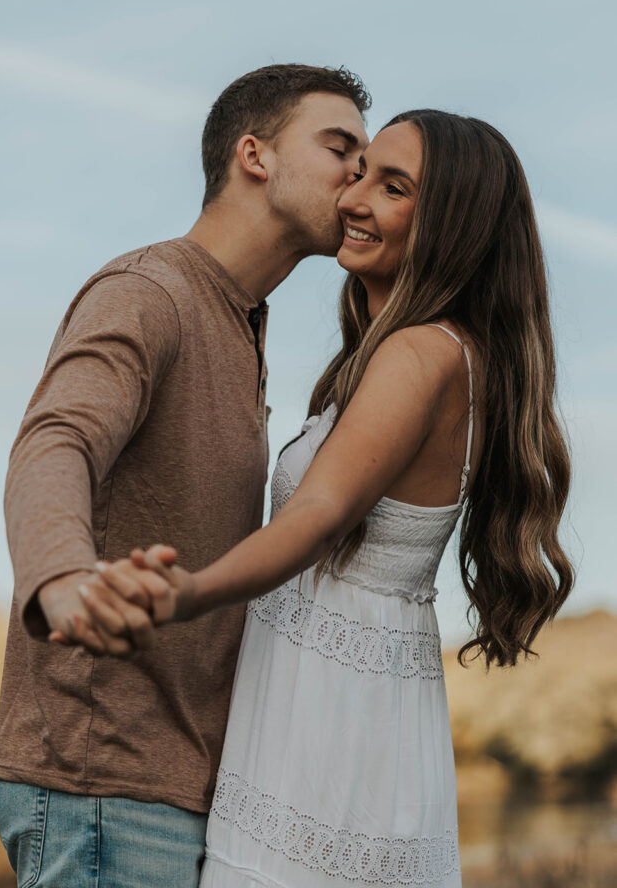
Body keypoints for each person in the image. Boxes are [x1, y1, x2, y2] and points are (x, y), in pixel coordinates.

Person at [81, 109, 573, 887]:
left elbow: (315, 518)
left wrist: (190, 593)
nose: (354, 196)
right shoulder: (426, 356)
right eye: (361, 170)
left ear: (449, 223)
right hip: (359, 703)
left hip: (328, 723)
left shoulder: (419, 354)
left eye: (393, 186)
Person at [0, 63, 371, 888]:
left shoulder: (239, 320)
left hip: (178, 792)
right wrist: (60, 579)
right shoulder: (150, 290)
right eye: (340, 147)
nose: (357, 175)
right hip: (102, 788)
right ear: (254, 155)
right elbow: (54, 441)